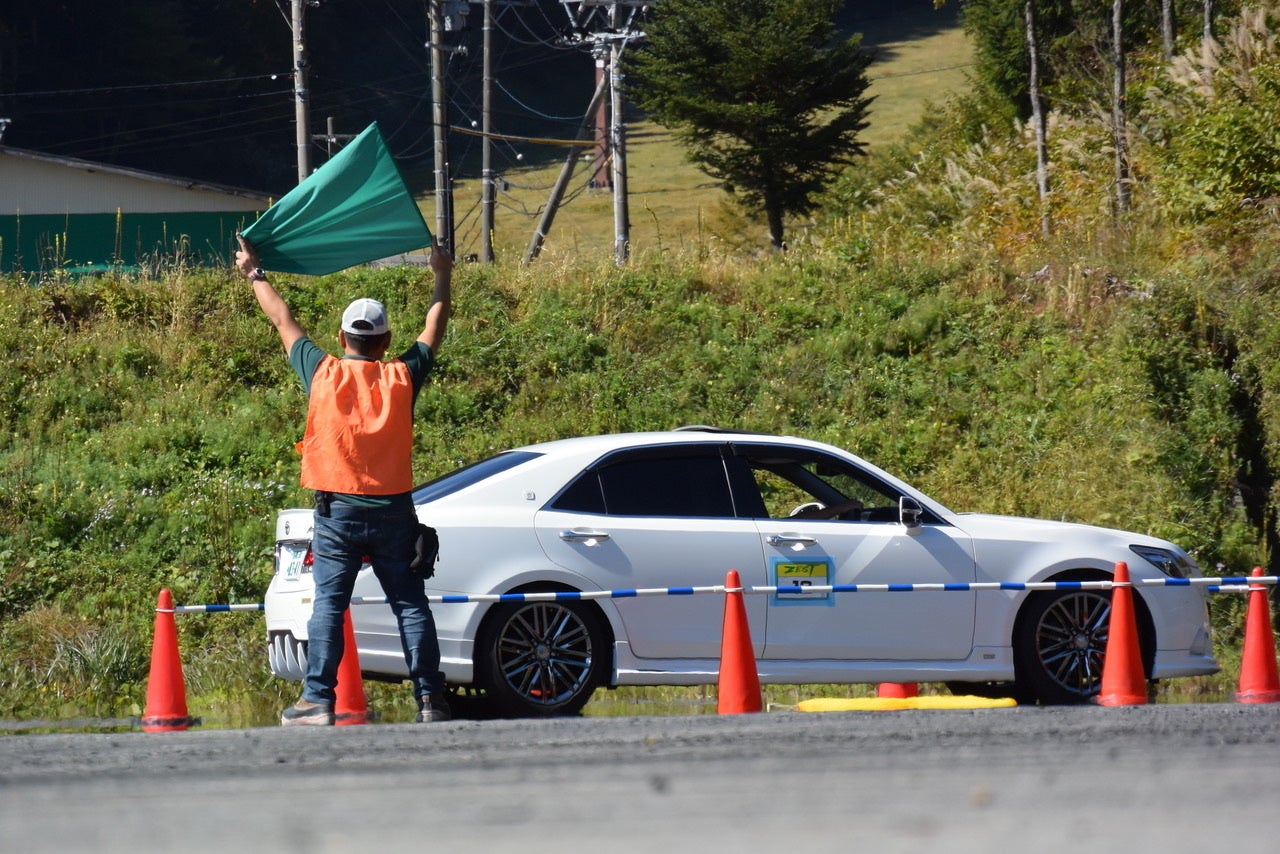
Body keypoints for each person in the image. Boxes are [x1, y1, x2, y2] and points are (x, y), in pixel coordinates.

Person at [236, 234, 454, 726]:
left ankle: (317, 700)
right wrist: (442, 273)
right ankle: (431, 700)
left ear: (341, 338)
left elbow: (282, 319)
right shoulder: (402, 377)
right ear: (385, 342)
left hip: (338, 512)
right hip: (394, 511)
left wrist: (255, 273)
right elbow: (434, 326)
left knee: (329, 607)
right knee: (411, 606)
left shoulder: (321, 372)